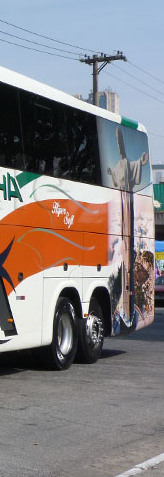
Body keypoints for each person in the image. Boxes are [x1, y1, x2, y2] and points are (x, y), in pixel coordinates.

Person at [107, 127, 148, 332]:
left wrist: (141, 162)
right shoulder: (118, 165)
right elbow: (114, 177)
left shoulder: (127, 163)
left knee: (127, 241)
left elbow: (135, 166)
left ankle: (128, 306)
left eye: (120, 142)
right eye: (118, 143)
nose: (120, 146)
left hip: (127, 202)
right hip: (121, 202)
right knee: (121, 241)